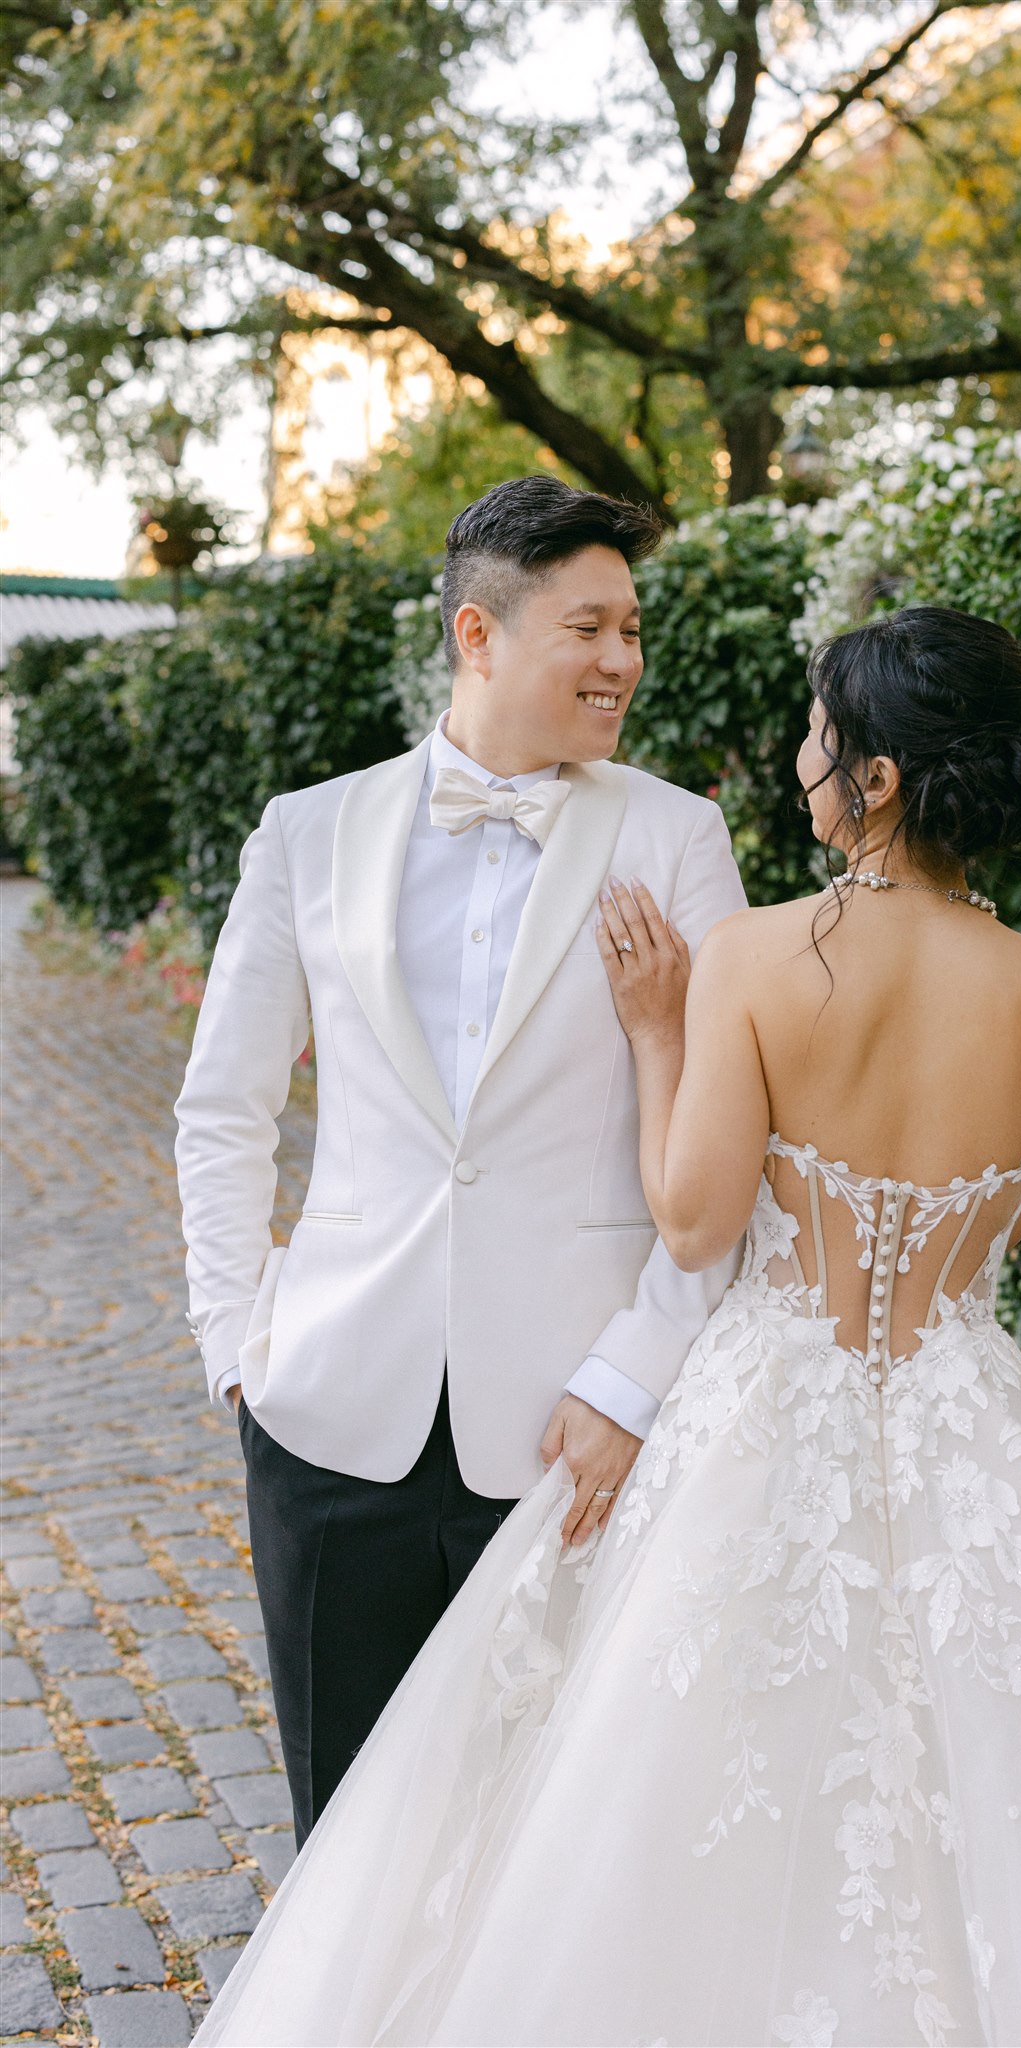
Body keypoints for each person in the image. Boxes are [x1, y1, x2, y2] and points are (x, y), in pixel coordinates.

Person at [194, 605, 1021, 2048]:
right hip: (963, 1403)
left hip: (767, 1403)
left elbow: (692, 1224)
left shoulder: (750, 957)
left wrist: (655, 1032)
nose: (801, 759)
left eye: (818, 735)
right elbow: (1002, 1221)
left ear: (870, 776)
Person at [173, 475, 748, 1847]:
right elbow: (223, 1108)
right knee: (343, 1834)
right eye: (590, 627)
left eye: (632, 630)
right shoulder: (306, 832)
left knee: (549, 1845)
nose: (624, 660)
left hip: (574, 1428)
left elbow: (733, 1143)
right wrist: (237, 1342)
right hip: (324, 1415)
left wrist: (628, 1384)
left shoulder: (677, 836)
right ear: (478, 636)